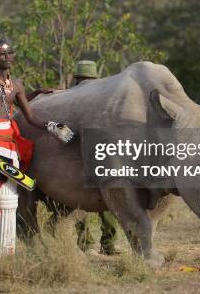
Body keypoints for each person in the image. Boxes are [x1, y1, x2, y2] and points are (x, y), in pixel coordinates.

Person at [0, 39, 73, 257]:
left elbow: (29, 114)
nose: (8, 57)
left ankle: (5, 253)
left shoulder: (15, 85)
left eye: (11, 52)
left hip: (8, 144)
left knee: (9, 197)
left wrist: (51, 126)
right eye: (2, 53)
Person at [70, 60, 120, 255]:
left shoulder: (69, 96)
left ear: (77, 78)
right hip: (102, 154)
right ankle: (108, 245)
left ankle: (86, 244)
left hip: (74, 154)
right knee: (109, 201)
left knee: (77, 202)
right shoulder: (103, 96)